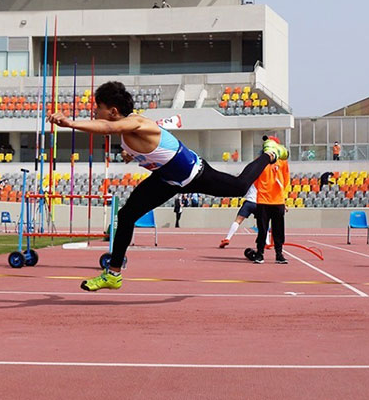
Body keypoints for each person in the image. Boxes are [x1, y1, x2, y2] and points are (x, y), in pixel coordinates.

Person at [47, 81, 287, 291]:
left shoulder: (137, 123)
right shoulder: (127, 133)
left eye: (97, 108)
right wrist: (134, 155)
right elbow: (136, 144)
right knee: (126, 215)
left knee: (240, 186)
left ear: (112, 111)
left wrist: (70, 123)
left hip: (194, 173)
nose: (94, 113)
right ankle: (113, 274)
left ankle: (269, 154)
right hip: (166, 180)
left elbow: (109, 128)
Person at [250, 137, 291, 264]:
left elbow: (286, 180)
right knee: (262, 229)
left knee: (278, 230)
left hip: (278, 201)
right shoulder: (260, 161)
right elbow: (254, 179)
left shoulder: (282, 162)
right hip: (263, 200)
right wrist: (263, 189)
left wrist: (284, 199)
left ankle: (279, 254)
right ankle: (260, 253)